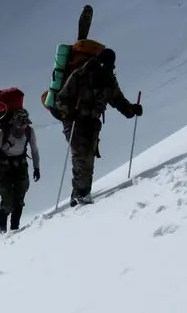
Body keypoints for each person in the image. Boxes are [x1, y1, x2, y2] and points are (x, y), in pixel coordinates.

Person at [55, 47, 142, 205]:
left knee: (88, 159)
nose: (109, 68)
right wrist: (70, 111)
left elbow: (118, 100)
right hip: (74, 122)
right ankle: (80, 196)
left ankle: (81, 195)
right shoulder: (79, 75)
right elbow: (61, 99)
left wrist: (131, 110)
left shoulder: (108, 80)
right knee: (81, 158)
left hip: (92, 124)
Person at [0, 108, 40, 232]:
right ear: (13, 122)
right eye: (21, 124)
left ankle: (15, 228)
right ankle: (2, 226)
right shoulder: (3, 132)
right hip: (3, 167)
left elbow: (34, 150)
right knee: (7, 198)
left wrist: (36, 168)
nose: (23, 127)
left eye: (25, 124)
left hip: (20, 165)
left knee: (19, 197)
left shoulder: (29, 132)